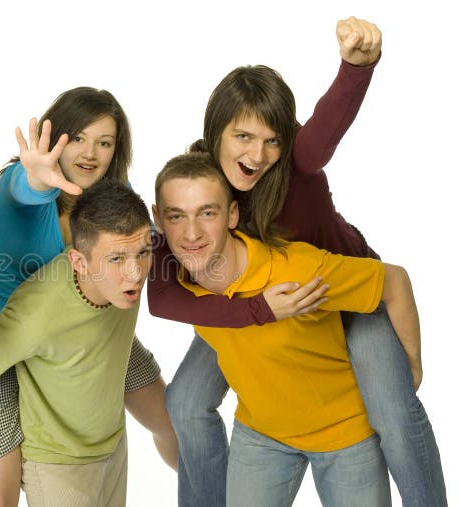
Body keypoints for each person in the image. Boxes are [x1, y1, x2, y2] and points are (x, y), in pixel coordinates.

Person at [147, 17, 446, 506]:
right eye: (242, 136)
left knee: (393, 409)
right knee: (183, 399)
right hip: (265, 302)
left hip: (343, 295)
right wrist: (258, 311)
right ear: (215, 133)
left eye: (271, 139)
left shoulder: (296, 161)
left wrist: (356, 67)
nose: (257, 154)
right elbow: (163, 295)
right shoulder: (199, 186)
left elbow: (326, 127)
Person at [152, 151, 426, 505]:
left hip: (343, 435)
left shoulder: (298, 270)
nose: (191, 233)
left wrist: (412, 364)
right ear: (159, 220)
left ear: (233, 214)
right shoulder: (177, 278)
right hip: (261, 435)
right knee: (183, 402)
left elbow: (395, 282)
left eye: (208, 213)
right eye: (177, 216)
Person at [0, 87, 176, 506]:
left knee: (172, 419)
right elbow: (31, 185)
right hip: (3, 343)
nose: (90, 153)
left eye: (105, 142)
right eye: (77, 138)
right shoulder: (17, 186)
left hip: (83, 332)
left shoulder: (112, 194)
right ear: (54, 139)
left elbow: (138, 244)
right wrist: (38, 174)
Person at [0, 181, 152, 506]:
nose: (135, 272)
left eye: (143, 252)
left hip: (111, 446)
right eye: (116, 258)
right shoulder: (36, 314)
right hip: (57, 465)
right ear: (80, 262)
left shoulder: (125, 280)